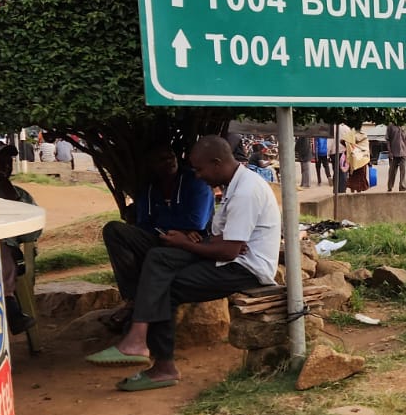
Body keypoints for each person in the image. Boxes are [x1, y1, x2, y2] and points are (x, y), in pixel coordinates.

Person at [86, 135, 277, 390]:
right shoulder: (234, 185)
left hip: (245, 269)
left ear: (217, 162)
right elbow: (223, 241)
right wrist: (207, 243)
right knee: (157, 257)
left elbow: (229, 251)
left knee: (165, 284)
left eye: (200, 169)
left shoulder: (246, 191)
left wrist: (187, 244)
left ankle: (159, 363)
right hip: (226, 257)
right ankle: (138, 338)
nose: (197, 175)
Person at [102, 146, 215, 335]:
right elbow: (144, 223)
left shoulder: (195, 181)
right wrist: (172, 230)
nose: (169, 161)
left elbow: (196, 221)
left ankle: (136, 309)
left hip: (195, 243)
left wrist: (165, 224)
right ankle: (132, 297)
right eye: (161, 159)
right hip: (160, 237)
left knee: (158, 256)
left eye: (171, 156)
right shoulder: (150, 187)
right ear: (151, 165)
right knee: (113, 230)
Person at [0, 141, 40, 333]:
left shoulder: (20, 194)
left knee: (0, 251)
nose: (5, 167)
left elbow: (32, 234)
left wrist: (12, 198)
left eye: (8, 162)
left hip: (8, 253)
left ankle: (10, 307)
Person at [344, 125, 371, 193]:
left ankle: (352, 192)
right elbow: (367, 149)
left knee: (353, 177)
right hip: (363, 161)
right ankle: (359, 193)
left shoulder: (351, 136)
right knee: (360, 177)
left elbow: (345, 143)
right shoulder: (365, 137)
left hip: (354, 160)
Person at [385, 120, 406, 191]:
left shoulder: (405, 125)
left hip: (403, 152)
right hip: (394, 153)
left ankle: (402, 187)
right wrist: (390, 152)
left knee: (403, 171)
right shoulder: (390, 126)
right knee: (392, 171)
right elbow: (388, 140)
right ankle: (390, 187)